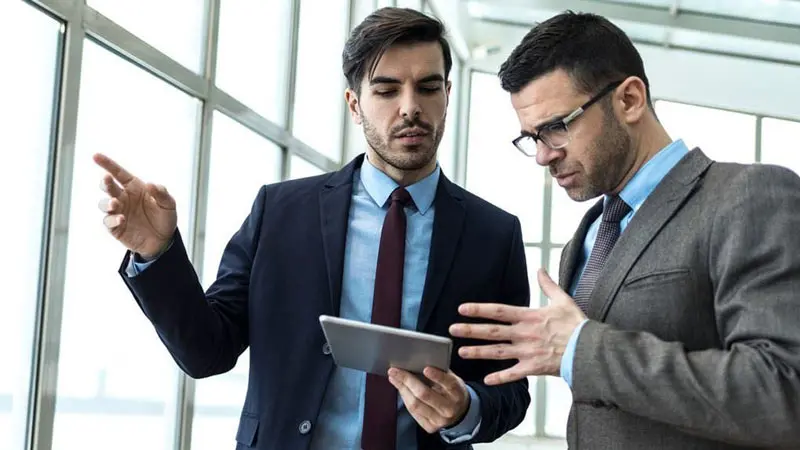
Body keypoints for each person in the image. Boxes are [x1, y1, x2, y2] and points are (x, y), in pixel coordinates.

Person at [94, 7, 530, 450]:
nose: (410, 107)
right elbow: (207, 351)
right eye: (386, 90)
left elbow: (510, 389)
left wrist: (466, 408)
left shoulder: (494, 235)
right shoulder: (281, 211)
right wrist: (157, 251)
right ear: (355, 105)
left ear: (448, 95)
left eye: (428, 87)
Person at [448, 10, 800, 450]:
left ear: (629, 100)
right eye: (532, 137)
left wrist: (581, 350)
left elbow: (783, 392)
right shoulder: (587, 236)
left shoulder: (748, 196)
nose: (543, 155)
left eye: (556, 128)